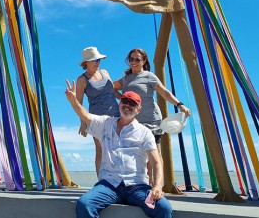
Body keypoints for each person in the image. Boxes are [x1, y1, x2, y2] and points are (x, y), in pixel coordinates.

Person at [65, 81, 173, 218]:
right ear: (119, 103)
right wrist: (73, 101)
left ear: (138, 109)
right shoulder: (106, 123)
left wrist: (157, 186)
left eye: (132, 103)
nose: (128, 105)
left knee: (163, 207)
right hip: (108, 185)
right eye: (125, 101)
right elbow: (86, 116)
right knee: (84, 204)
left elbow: (156, 162)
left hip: (137, 186)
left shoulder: (145, 133)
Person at [113, 48, 190, 183]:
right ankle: (144, 185)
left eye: (137, 59)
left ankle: (156, 187)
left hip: (151, 121)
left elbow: (164, 93)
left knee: (154, 155)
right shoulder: (125, 79)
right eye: (131, 59)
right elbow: (110, 87)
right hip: (133, 124)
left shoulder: (149, 76)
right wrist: (121, 99)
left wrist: (180, 104)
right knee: (139, 156)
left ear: (144, 61)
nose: (134, 62)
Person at [75, 47, 119, 176]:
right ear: (86, 63)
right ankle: (101, 181)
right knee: (100, 150)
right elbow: (78, 103)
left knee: (117, 148)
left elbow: (113, 91)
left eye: (98, 60)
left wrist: (126, 100)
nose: (97, 62)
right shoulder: (82, 80)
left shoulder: (105, 72)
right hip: (96, 118)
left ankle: (117, 180)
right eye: (94, 60)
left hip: (116, 115)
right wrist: (83, 123)